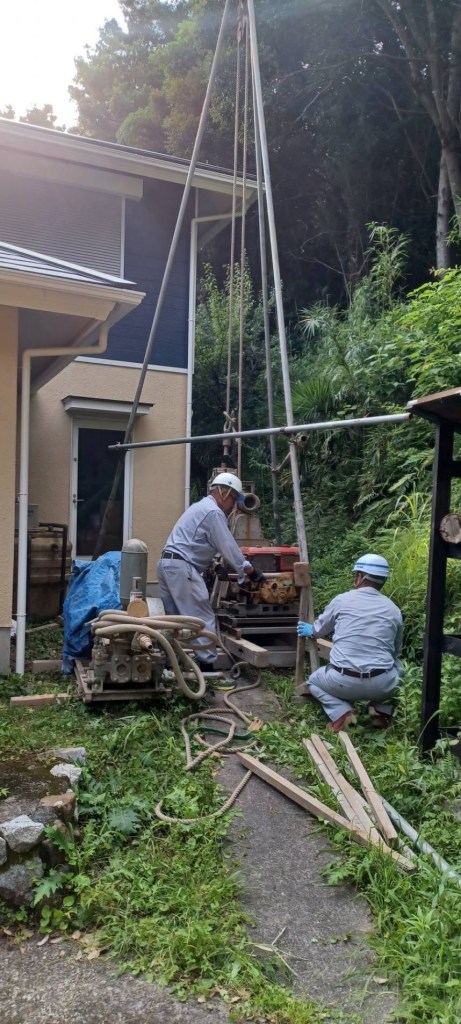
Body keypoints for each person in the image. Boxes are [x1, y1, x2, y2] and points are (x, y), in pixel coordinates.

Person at [157, 472, 265, 669]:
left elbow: (196, 542)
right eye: (234, 499)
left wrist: (215, 565)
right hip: (182, 568)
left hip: (167, 564)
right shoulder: (214, 512)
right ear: (224, 493)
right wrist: (249, 571)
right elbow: (228, 546)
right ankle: (207, 669)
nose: (234, 505)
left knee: (172, 620)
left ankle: (166, 666)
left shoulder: (199, 507)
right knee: (201, 617)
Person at [296, 553, 403, 732]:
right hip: (382, 685)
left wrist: (311, 630)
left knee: (313, 681)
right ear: (383, 580)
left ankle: (342, 713)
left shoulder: (342, 600)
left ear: (360, 577)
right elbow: (395, 650)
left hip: (343, 682)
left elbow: (319, 630)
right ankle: (380, 712)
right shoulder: (394, 609)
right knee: (399, 667)